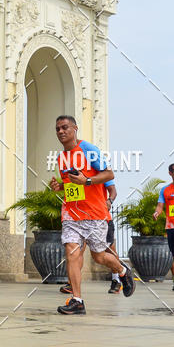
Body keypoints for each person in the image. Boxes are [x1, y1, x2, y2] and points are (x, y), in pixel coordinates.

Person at [50, 115, 134, 314]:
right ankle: (77, 300)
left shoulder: (88, 150)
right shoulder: (61, 158)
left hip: (94, 214)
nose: (61, 131)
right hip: (71, 214)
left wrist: (87, 181)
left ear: (75, 128)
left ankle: (123, 270)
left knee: (99, 256)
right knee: (71, 253)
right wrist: (60, 186)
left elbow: (109, 174)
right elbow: (72, 184)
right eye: (58, 129)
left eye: (65, 127)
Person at [59, 182, 120, 295]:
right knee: (76, 251)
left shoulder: (99, 172)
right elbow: (69, 186)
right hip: (78, 218)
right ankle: (72, 284)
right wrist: (59, 186)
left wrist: (109, 201)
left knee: (109, 250)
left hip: (100, 218)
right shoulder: (74, 175)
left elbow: (113, 190)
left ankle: (117, 278)